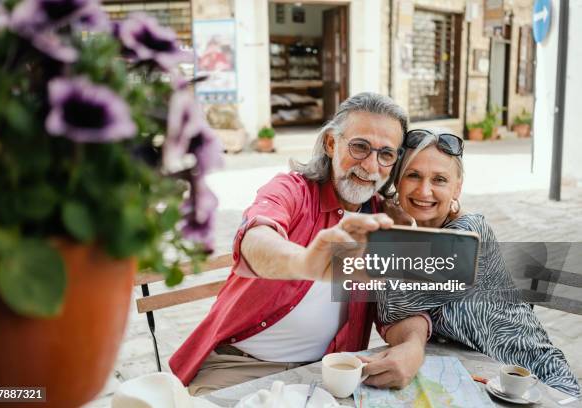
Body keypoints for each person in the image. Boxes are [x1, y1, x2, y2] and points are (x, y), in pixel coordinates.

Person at [169, 93, 432, 395]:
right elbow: (255, 236)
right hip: (239, 367)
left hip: (324, 374)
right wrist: (304, 263)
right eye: (360, 147)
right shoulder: (292, 190)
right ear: (332, 144)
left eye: (386, 154)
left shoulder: (384, 220)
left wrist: (413, 347)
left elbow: (400, 307)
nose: (371, 166)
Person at [372, 128, 581, 397]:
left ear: (457, 188)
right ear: (397, 182)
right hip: (485, 381)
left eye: (439, 179)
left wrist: (395, 228)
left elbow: (390, 305)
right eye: (413, 175)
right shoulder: (426, 241)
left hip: (539, 385)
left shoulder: (468, 234)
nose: (424, 190)